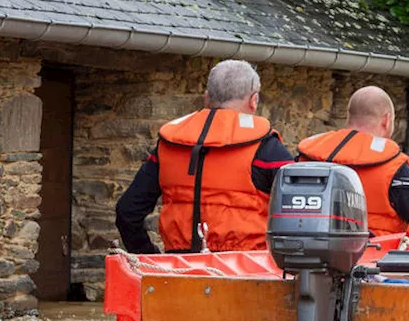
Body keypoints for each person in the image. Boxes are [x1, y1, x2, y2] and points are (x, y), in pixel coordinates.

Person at [115, 60, 294, 254]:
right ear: (254, 100)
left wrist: (150, 258)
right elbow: (299, 217)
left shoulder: (169, 143)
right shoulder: (267, 148)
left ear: (207, 98)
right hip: (246, 270)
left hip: (179, 270)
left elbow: (127, 212)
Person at [297, 86, 409, 236]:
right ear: (386, 120)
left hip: (306, 248)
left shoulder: (308, 153)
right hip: (373, 255)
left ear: (348, 117)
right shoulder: (393, 166)